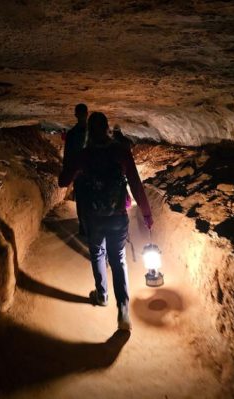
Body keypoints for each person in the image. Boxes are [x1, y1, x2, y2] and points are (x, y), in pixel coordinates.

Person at [58, 111, 154, 331]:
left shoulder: (84, 155)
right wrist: (147, 215)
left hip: (93, 217)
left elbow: (63, 181)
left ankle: (102, 295)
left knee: (98, 254)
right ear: (108, 128)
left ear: (90, 131)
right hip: (118, 216)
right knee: (118, 259)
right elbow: (136, 185)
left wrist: (68, 167)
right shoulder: (121, 152)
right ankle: (123, 311)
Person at [62, 103, 89, 236]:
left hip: (79, 173)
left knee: (82, 201)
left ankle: (84, 227)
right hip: (92, 172)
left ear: (76, 115)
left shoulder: (72, 134)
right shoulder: (94, 132)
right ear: (87, 114)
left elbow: (67, 155)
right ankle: (90, 227)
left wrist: (68, 172)